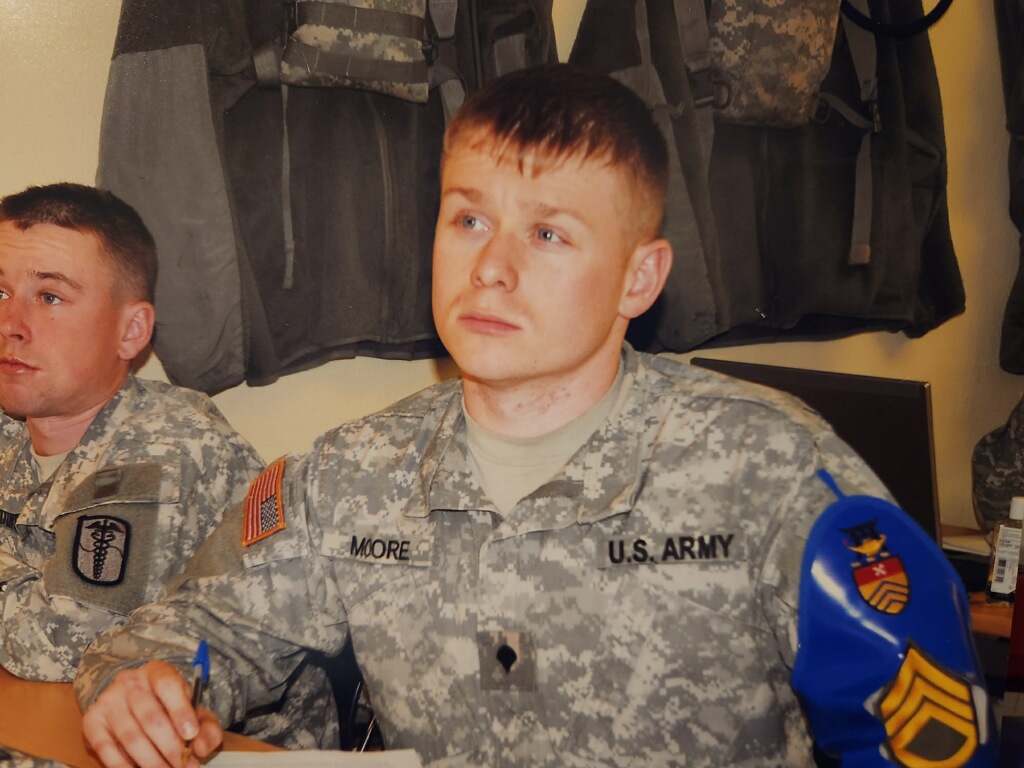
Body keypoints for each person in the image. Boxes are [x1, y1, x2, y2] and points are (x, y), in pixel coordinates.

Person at [76, 66, 995, 767]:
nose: (490, 268)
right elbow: (188, 631)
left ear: (639, 278)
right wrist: (145, 682)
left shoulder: (770, 467)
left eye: (548, 233)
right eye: (468, 221)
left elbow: (928, 731)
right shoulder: (351, 474)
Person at [0, 184, 335, 757]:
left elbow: (58, 645)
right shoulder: (13, 421)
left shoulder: (165, 446)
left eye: (50, 297)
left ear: (130, 332)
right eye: (0, 291)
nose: (11, 322)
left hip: (225, 753)